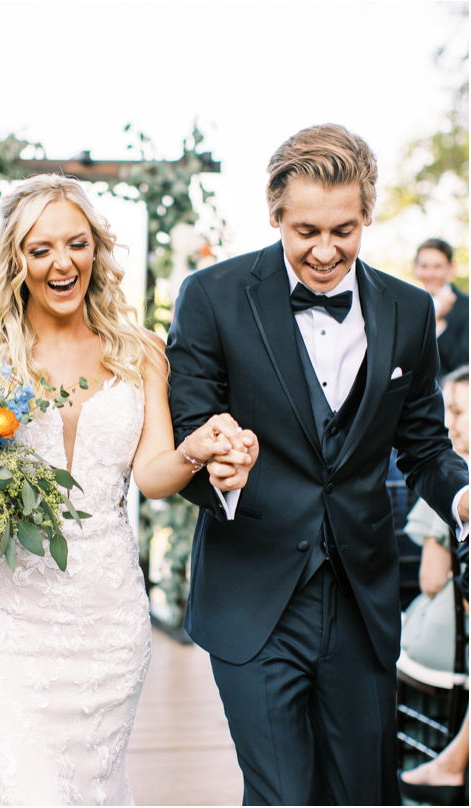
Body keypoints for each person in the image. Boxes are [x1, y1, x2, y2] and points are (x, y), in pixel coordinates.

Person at [166, 123, 470, 805]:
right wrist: (216, 468)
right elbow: (184, 436)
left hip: (362, 601)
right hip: (252, 595)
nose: (325, 251)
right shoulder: (210, 296)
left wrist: (460, 499)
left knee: (361, 794)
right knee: (281, 795)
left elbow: (423, 448)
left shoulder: (408, 309)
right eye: (305, 231)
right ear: (273, 215)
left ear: (366, 216)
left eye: (344, 230)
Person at [0, 174, 255, 805]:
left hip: (106, 618)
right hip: (2, 614)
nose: (63, 262)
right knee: (25, 788)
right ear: (16, 261)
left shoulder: (139, 353)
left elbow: (153, 476)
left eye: (77, 244)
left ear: (96, 251)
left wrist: (195, 450)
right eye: (41, 249)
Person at [398, 366, 469, 807]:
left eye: (460, 412)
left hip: (443, 641)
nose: (452, 424)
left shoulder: (451, 485)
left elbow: (428, 581)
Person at [413, 238, 468, 377]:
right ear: (415, 269)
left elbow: (462, 365)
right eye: (424, 266)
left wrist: (439, 322)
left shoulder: (467, 308)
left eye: (437, 267)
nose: (430, 274)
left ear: (451, 268)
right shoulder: (409, 305)